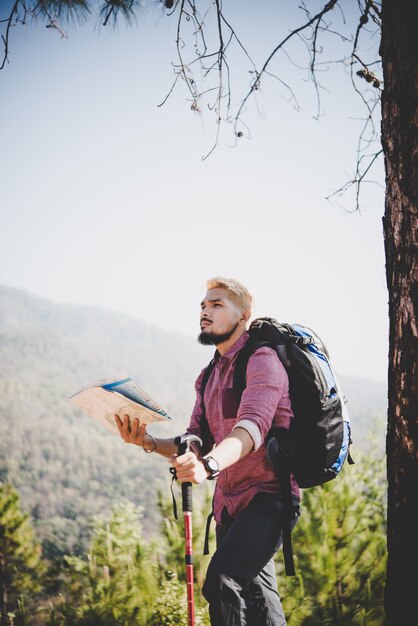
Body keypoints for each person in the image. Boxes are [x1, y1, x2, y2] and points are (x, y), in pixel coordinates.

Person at [115, 277, 300, 626]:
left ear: (243, 315)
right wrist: (149, 442)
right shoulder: (209, 375)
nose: (205, 311)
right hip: (229, 509)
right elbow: (194, 438)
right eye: (203, 305)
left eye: (216, 305)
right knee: (261, 607)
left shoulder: (262, 361)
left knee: (221, 580)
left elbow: (251, 429)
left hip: (269, 500)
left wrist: (209, 466)